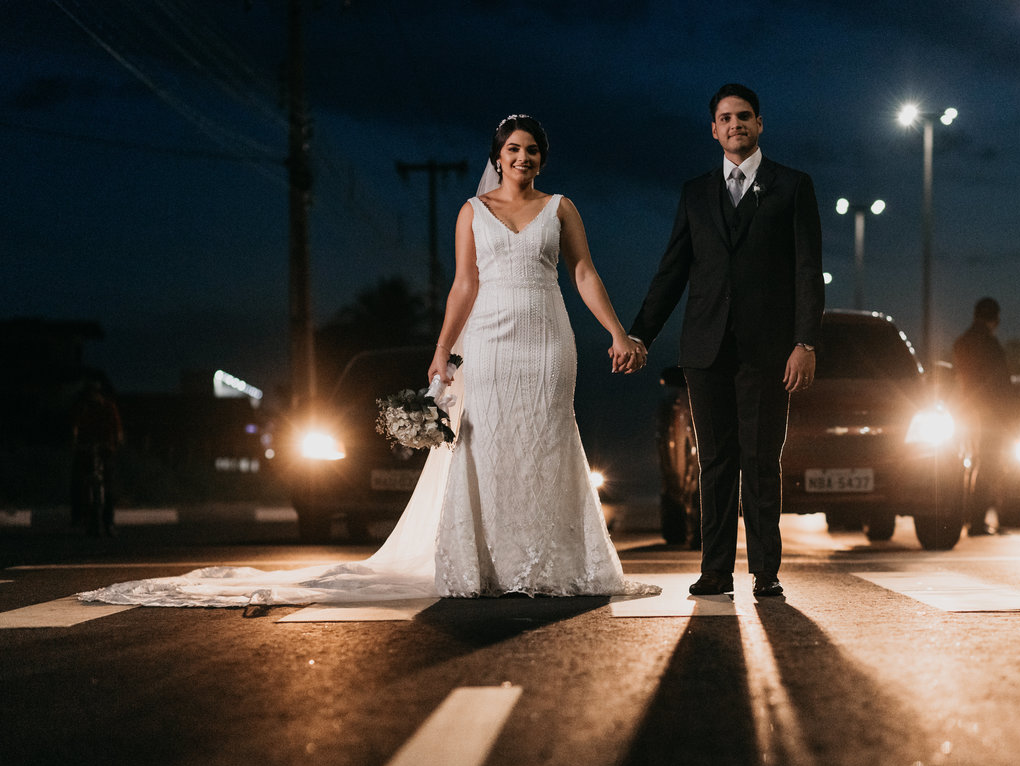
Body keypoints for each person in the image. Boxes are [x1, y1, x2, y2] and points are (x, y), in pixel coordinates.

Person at [79, 115, 657, 606]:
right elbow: (463, 285)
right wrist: (441, 352)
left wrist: (617, 333)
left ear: (542, 159)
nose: (523, 158)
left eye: (532, 150)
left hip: (548, 341)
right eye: (513, 150)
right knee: (489, 442)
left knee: (546, 436)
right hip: (489, 340)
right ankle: (492, 566)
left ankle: (551, 564)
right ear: (497, 157)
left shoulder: (561, 209)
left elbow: (583, 273)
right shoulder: (471, 211)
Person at [622, 84, 824, 597]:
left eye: (744, 117)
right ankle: (714, 569)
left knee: (760, 461)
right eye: (725, 118)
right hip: (705, 350)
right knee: (714, 463)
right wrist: (639, 333)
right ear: (713, 129)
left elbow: (807, 271)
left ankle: (765, 573)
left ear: (759, 125)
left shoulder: (794, 186)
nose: (735, 124)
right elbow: (672, 272)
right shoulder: (694, 193)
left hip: (768, 350)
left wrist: (804, 342)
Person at [952, 297, 1012, 537]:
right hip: (988, 414)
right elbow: (1000, 383)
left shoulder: (962, 342)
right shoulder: (989, 343)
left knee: (970, 464)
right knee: (988, 466)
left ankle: (969, 517)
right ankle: (977, 521)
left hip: (966, 411)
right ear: (995, 318)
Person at [70, 379, 123, 537]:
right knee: (79, 482)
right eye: (90, 394)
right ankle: (81, 517)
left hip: (106, 448)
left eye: (95, 393)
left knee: (109, 485)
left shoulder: (108, 407)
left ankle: (109, 523)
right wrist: (75, 441)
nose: (93, 396)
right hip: (86, 449)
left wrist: (117, 441)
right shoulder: (84, 408)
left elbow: (117, 428)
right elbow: (76, 427)